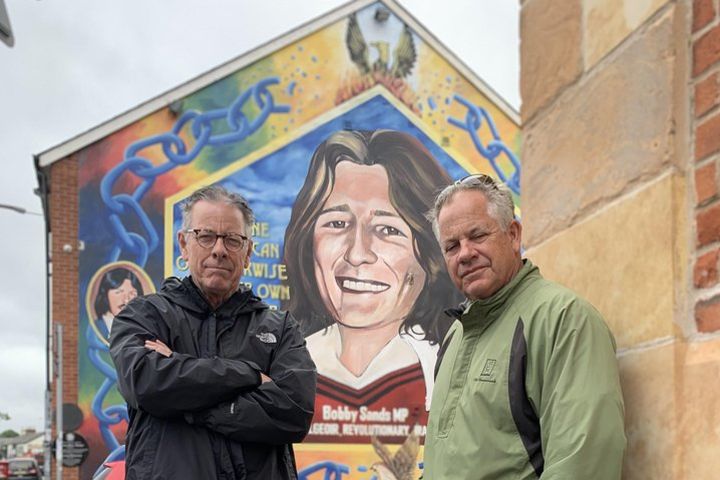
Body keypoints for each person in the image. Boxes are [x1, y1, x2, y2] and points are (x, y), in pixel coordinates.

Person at [422, 174, 626, 479]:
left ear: (513, 234)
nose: (465, 254)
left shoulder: (563, 320)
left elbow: (582, 463)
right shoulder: (457, 333)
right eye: (452, 246)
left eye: (477, 235)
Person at [110, 185, 317, 479]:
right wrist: (250, 375)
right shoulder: (145, 315)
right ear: (183, 244)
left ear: (248, 253)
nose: (219, 250)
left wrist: (187, 402)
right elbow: (144, 382)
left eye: (232, 240)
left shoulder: (280, 328)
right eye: (205, 236)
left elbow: (294, 412)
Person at [283, 130, 463, 443]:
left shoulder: (456, 370)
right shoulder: (282, 369)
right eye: (337, 224)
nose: (357, 253)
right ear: (307, 240)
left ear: (430, 250)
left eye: (387, 229)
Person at [92, 266, 143, 341]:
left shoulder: (141, 330)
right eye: (119, 292)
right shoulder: (94, 330)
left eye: (132, 293)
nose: (126, 300)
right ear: (105, 295)